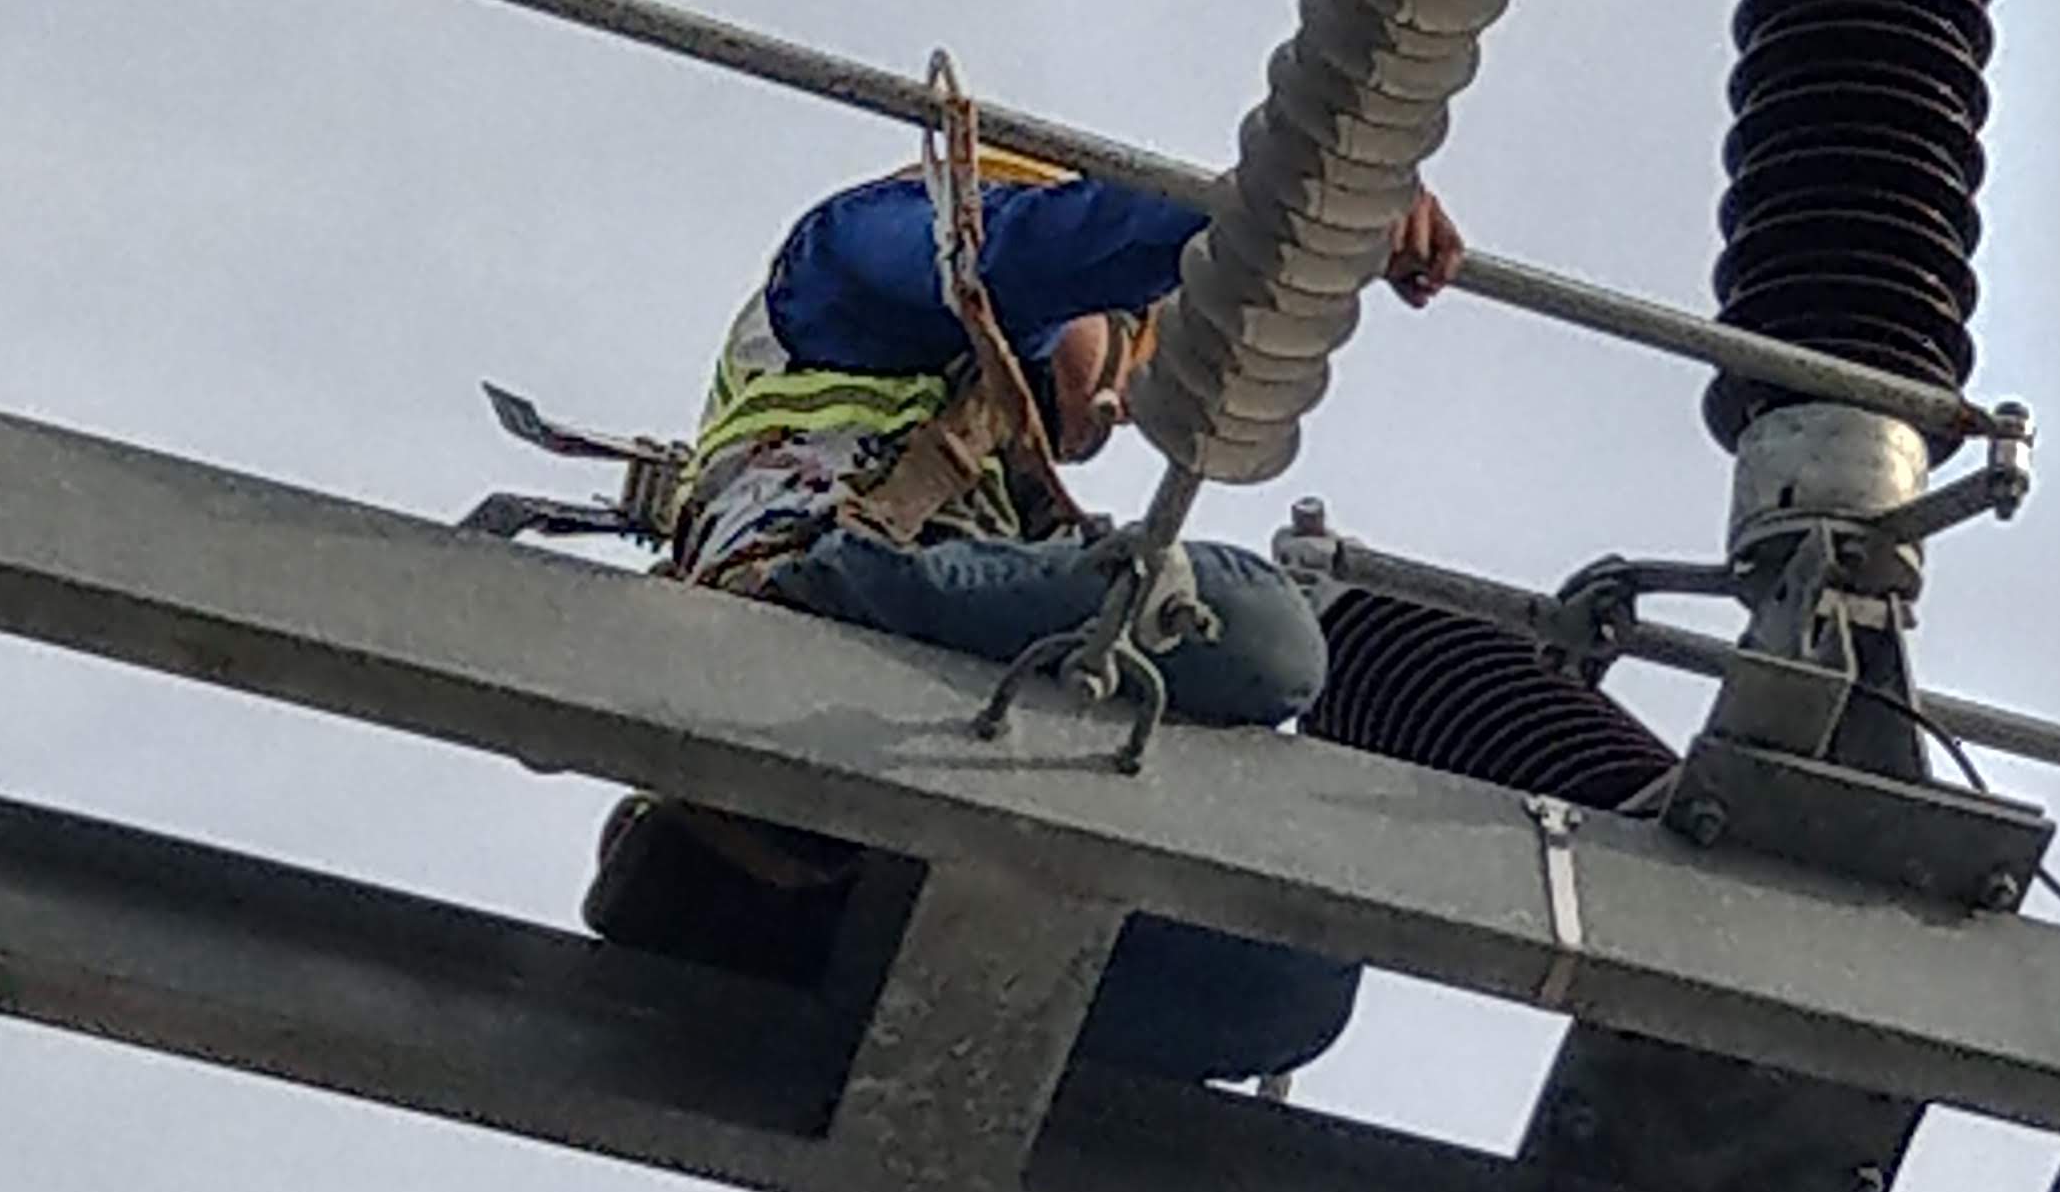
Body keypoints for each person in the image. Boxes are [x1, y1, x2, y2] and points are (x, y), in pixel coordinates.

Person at [585, 151, 1464, 1083]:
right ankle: (779, 774)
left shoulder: (1004, 512)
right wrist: (1307, 200)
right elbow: (1041, 250)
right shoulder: (838, 275)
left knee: (1294, 982)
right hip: (813, 585)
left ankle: (806, 912)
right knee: (1263, 632)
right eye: (1123, 343)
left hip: (896, 770)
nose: (1120, 403)